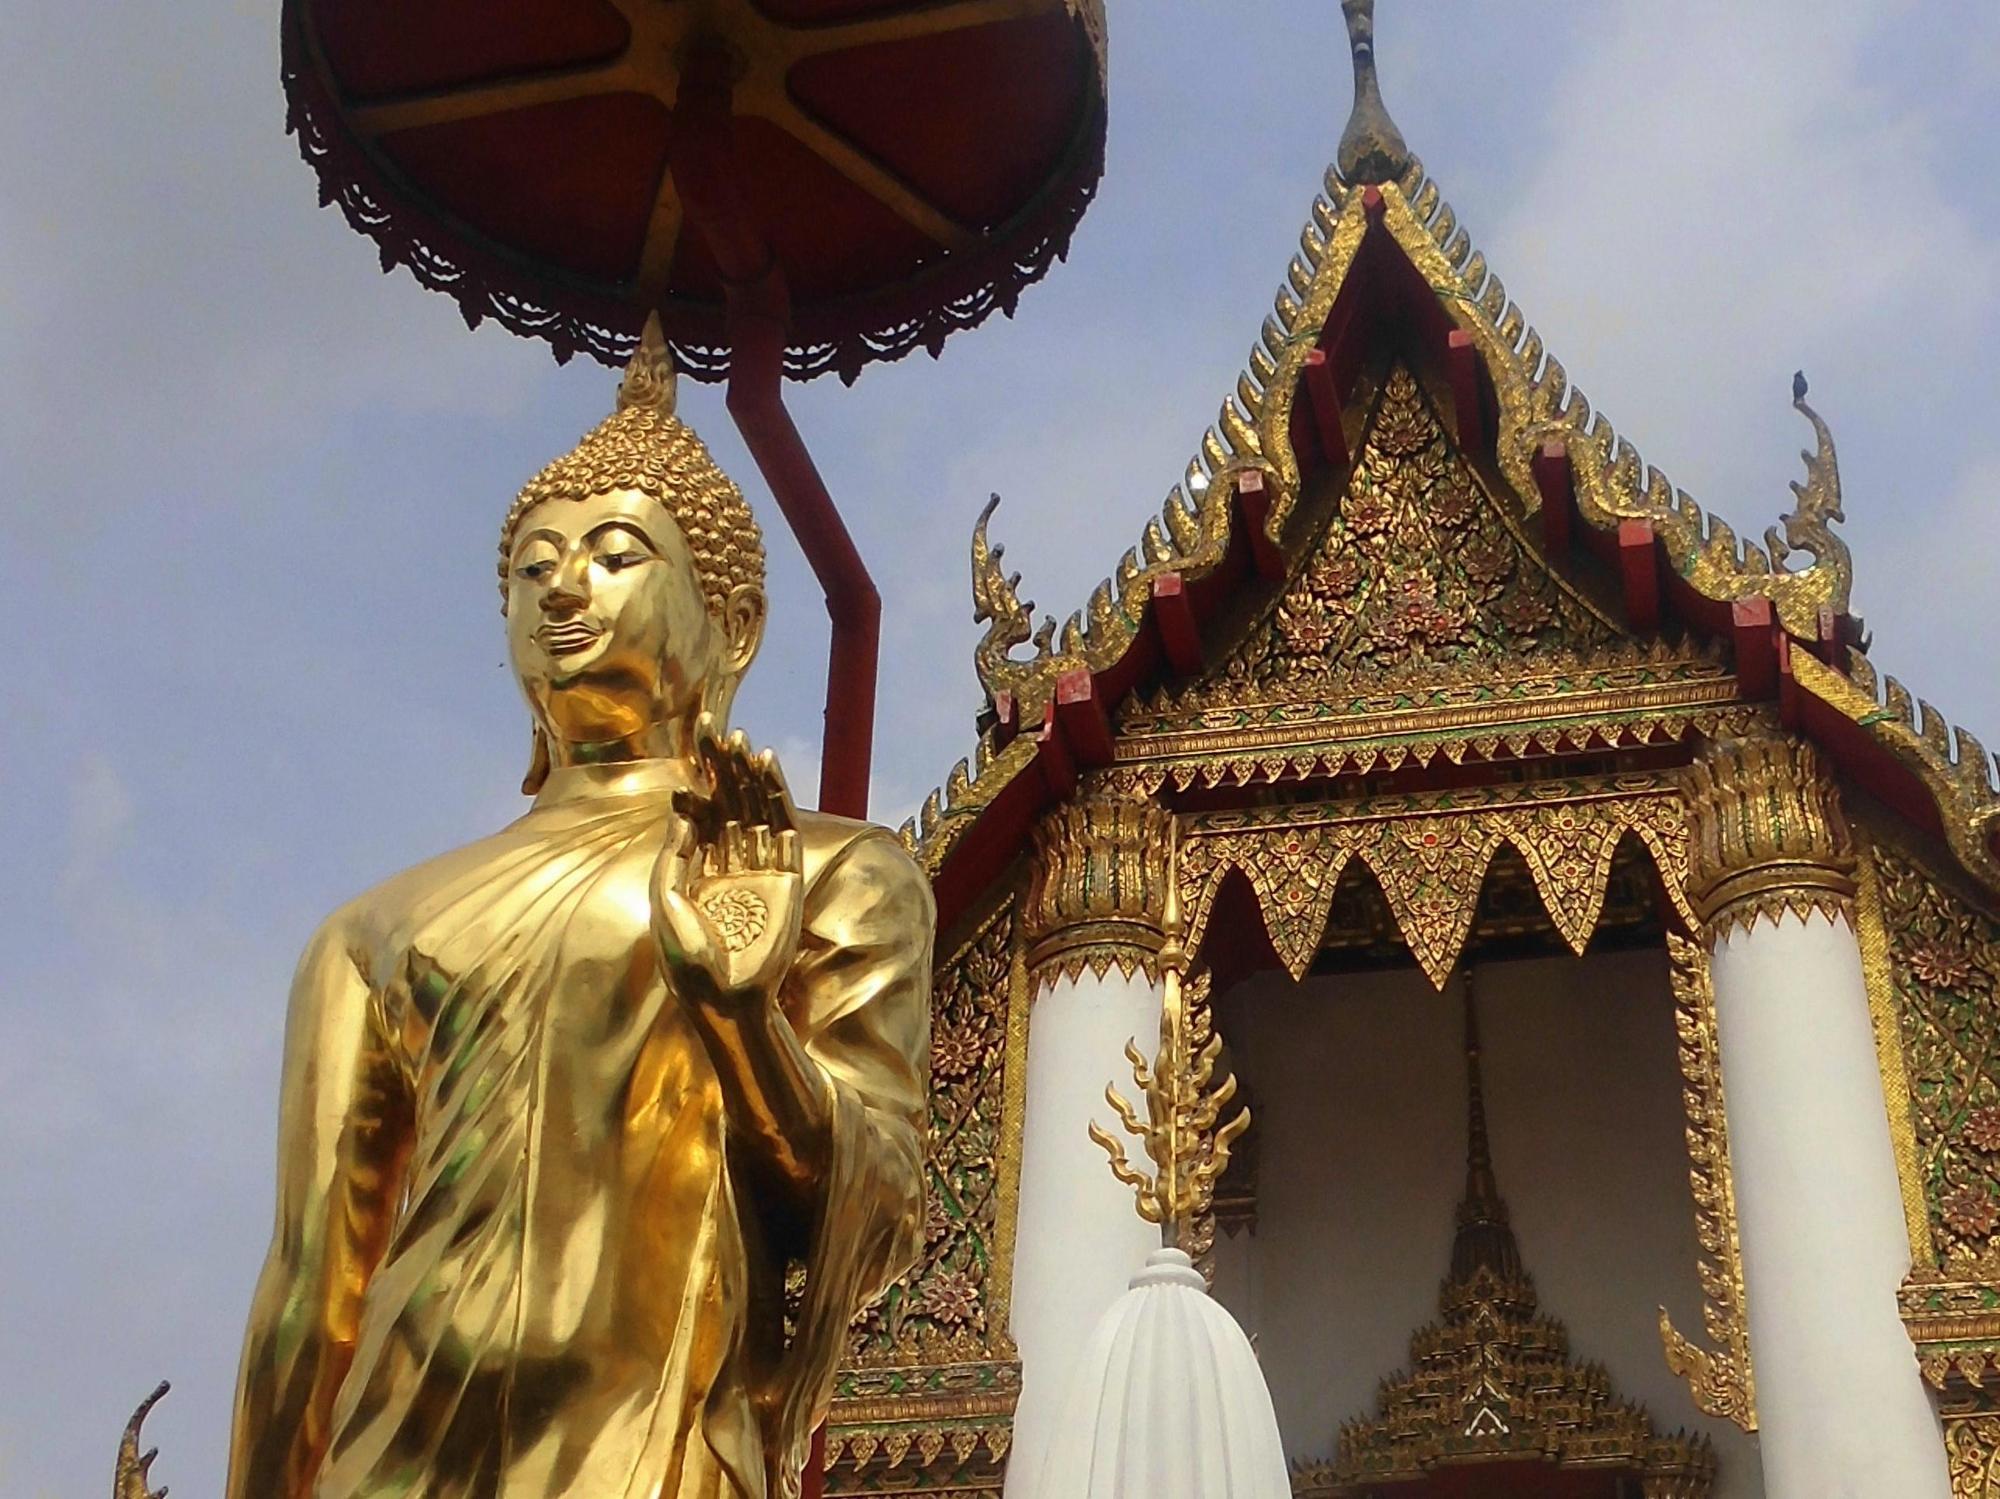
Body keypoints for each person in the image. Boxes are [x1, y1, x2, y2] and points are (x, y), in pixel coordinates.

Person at [225, 320, 932, 1499]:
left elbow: (881, 1206)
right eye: (531, 563)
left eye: (613, 553)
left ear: (733, 627)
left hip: (648, 1448)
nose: (562, 583)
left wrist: (740, 1019)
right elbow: (309, 1289)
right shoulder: (377, 930)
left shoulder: (828, 871)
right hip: (389, 1459)